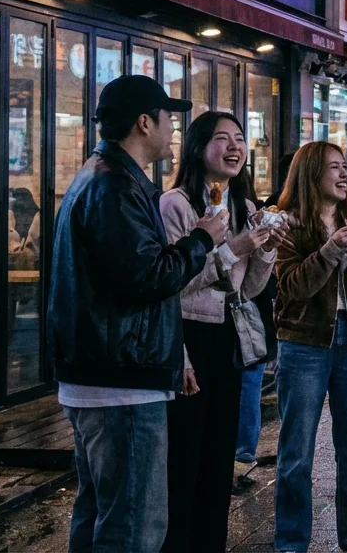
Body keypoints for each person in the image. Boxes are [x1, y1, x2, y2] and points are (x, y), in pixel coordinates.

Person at [49, 75, 226, 551]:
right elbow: (149, 277)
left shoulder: (108, 176)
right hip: (120, 381)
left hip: (107, 375)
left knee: (101, 518)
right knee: (133, 527)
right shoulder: (114, 186)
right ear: (144, 123)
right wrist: (203, 239)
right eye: (169, 119)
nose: (173, 131)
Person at [159, 111, 285, 552]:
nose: (235, 147)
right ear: (197, 147)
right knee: (183, 458)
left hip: (229, 336)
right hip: (188, 336)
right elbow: (174, 283)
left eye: (239, 139)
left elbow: (246, 289)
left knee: (219, 459)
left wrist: (265, 250)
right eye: (222, 139)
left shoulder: (245, 207)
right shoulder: (175, 204)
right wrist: (233, 248)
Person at [272, 141, 347, 553]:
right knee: (296, 454)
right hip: (303, 343)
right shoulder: (289, 225)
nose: (343, 174)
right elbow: (292, 288)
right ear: (310, 174)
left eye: (344, 166)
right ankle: (290, 542)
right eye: (333, 168)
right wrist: (331, 249)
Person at [235, 151, 295, 481]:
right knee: (247, 379)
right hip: (253, 311)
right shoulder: (267, 211)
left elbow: (256, 279)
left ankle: (242, 454)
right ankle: (240, 454)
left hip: (254, 309)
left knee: (249, 379)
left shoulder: (253, 210)